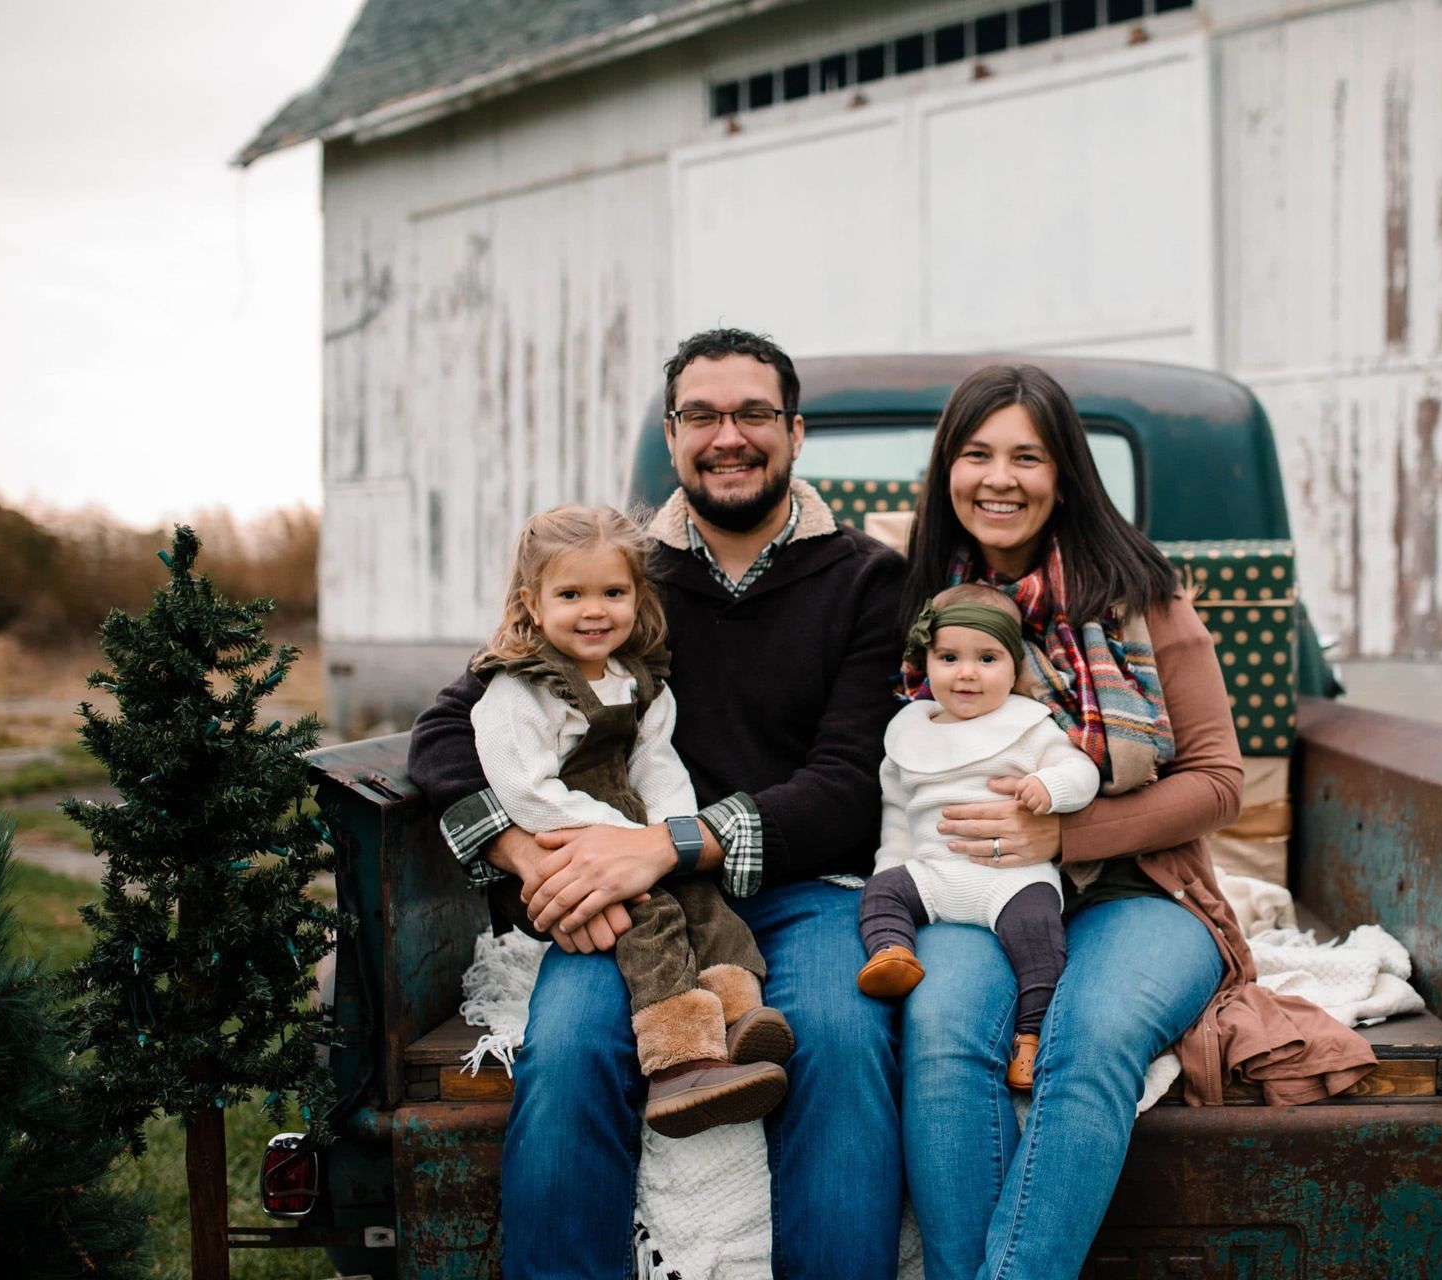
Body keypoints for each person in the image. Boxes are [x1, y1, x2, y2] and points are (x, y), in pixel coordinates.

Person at [406, 329, 906, 1280]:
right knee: (566, 1054)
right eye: (702, 416)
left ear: (794, 432)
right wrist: (524, 855)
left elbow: (848, 787)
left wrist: (665, 846)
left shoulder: (864, 579)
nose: (729, 435)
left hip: (804, 885)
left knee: (841, 1048)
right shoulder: (619, 577)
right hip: (628, 899)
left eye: (753, 413)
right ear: (672, 437)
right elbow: (450, 724)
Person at [896, 363, 1376, 1280]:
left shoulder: (1139, 595)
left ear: (1066, 473)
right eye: (977, 453)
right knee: (946, 1033)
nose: (1000, 478)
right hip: (971, 893)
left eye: (1027, 457)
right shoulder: (918, 602)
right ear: (946, 471)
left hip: (1140, 892)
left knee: (1093, 1035)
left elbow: (1219, 781)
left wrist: (1064, 838)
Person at [469, 502, 792, 1138]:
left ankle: (738, 1016)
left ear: (637, 596)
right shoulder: (518, 691)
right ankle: (679, 1063)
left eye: (613, 592)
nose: (596, 610)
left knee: (703, 897)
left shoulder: (638, 683)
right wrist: (617, 844)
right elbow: (525, 789)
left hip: (637, 840)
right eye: (571, 594)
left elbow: (657, 766)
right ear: (532, 603)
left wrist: (667, 838)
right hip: (568, 842)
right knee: (653, 918)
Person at [855, 583, 1100, 1091]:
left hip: (1008, 877)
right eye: (949, 657)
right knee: (880, 894)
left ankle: (1029, 1039)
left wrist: (1048, 787)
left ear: (1015, 669)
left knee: (1039, 937)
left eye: (987, 658)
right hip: (932, 872)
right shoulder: (908, 731)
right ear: (927, 662)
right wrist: (891, 865)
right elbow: (897, 813)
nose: (967, 673)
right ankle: (892, 955)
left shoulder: (1029, 727)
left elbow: (1081, 771)